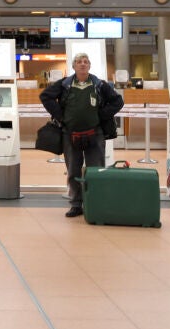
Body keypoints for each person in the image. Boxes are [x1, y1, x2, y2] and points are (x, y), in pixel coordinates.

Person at [40, 53, 124, 218]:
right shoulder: (64, 84)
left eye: (85, 62)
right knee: (73, 171)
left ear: (89, 65)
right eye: (79, 62)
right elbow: (45, 96)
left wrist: (101, 115)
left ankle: (95, 203)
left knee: (95, 170)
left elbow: (118, 101)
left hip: (95, 134)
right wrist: (60, 116)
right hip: (70, 135)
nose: (82, 64)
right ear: (74, 66)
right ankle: (76, 204)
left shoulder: (99, 84)